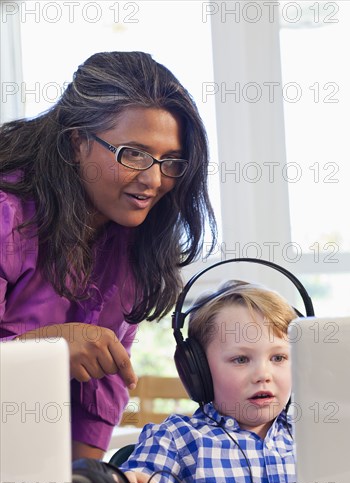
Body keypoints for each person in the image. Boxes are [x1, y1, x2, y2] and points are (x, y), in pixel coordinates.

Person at [0, 51, 217, 460]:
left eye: (169, 161)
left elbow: (102, 385)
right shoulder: (6, 214)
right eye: (133, 154)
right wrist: (46, 349)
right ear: (77, 142)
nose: (154, 180)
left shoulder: (135, 238)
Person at [120, 280, 297, 483]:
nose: (263, 375)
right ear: (199, 369)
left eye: (278, 357)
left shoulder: (312, 437)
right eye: (241, 359)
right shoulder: (177, 439)